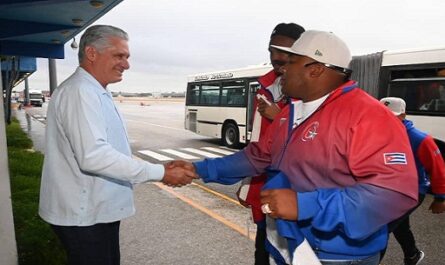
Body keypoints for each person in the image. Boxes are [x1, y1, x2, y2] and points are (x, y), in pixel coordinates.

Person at [172, 30, 418, 264]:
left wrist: (305, 205)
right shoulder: (289, 112)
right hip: (288, 243)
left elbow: (395, 194)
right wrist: (200, 169)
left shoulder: (368, 116)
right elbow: (258, 156)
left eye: (290, 62)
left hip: (338, 255)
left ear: (316, 70)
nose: (281, 69)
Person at [38, 25, 197, 265]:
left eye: (127, 57)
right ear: (91, 53)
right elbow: (94, 156)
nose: (126, 64)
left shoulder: (95, 90)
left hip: (94, 212)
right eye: (119, 56)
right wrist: (161, 172)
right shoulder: (81, 92)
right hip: (84, 215)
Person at [237, 22, 304, 265]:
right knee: (262, 250)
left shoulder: (315, 91)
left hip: (299, 194)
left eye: (284, 52)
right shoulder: (267, 88)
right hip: (267, 185)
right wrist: (249, 184)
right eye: (271, 50)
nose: (276, 58)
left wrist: (280, 118)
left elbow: (317, 146)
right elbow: (258, 144)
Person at [379, 97, 445, 265]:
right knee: (399, 225)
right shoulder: (378, 132)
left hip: (412, 191)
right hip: (387, 188)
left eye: (390, 115)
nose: (384, 118)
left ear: (403, 115)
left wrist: (440, 198)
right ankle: (412, 255)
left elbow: (438, 168)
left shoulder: (420, 139)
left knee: (379, 229)